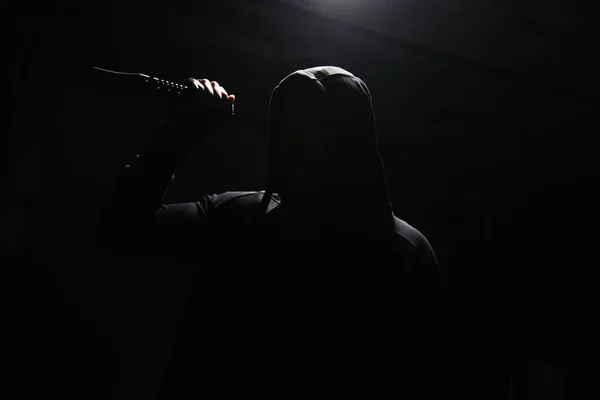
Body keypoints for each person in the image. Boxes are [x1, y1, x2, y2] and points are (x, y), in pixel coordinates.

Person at [106, 66, 446, 400]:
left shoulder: (406, 253)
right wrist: (177, 134)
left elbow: (422, 376)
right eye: (289, 128)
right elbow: (121, 230)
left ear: (353, 138)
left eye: (316, 129)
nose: (297, 144)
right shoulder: (238, 218)